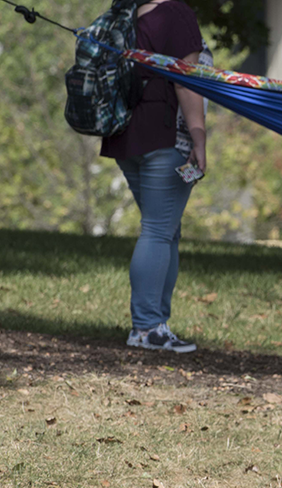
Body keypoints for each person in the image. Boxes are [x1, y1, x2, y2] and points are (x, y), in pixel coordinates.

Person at [101, 0, 209, 353]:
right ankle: (146, 328)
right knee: (158, 231)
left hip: (124, 134)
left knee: (165, 229)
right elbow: (186, 83)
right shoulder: (176, 15)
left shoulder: (127, 12)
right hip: (164, 134)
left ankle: (157, 324)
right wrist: (199, 137)